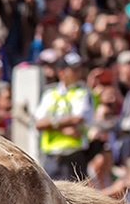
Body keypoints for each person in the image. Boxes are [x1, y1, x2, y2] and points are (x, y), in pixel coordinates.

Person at [33, 50, 93, 181]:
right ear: (61, 72)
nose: (78, 73)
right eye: (73, 70)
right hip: (51, 158)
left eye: (79, 70)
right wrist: (64, 128)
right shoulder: (49, 93)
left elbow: (78, 118)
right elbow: (38, 123)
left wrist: (52, 124)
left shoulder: (83, 92)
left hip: (74, 158)